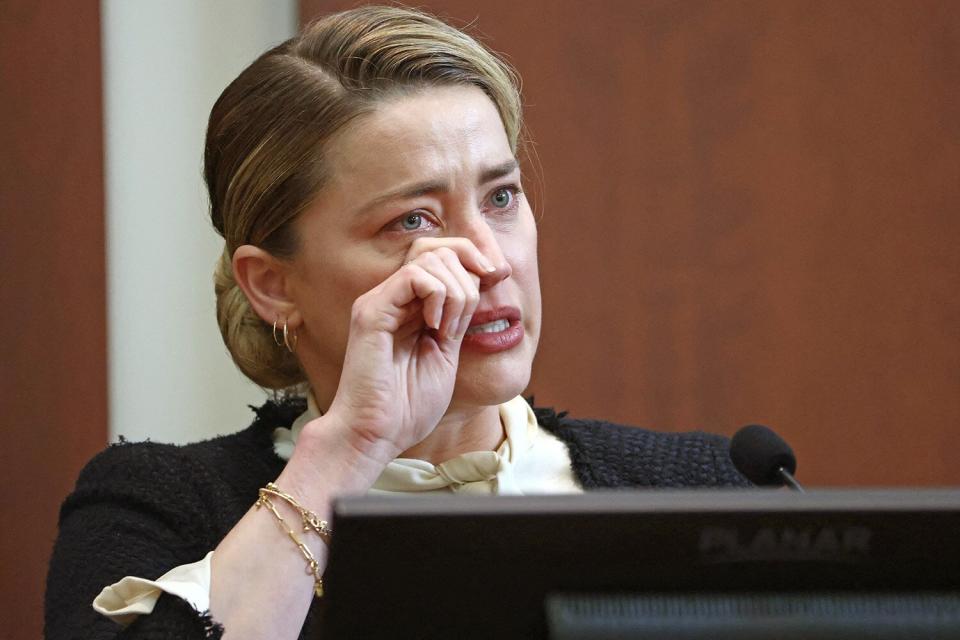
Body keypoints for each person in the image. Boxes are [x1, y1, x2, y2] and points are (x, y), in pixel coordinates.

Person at [44, 6, 749, 640]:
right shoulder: (156, 506)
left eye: (502, 197)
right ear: (273, 285)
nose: (490, 261)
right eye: (413, 220)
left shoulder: (708, 489)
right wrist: (350, 448)